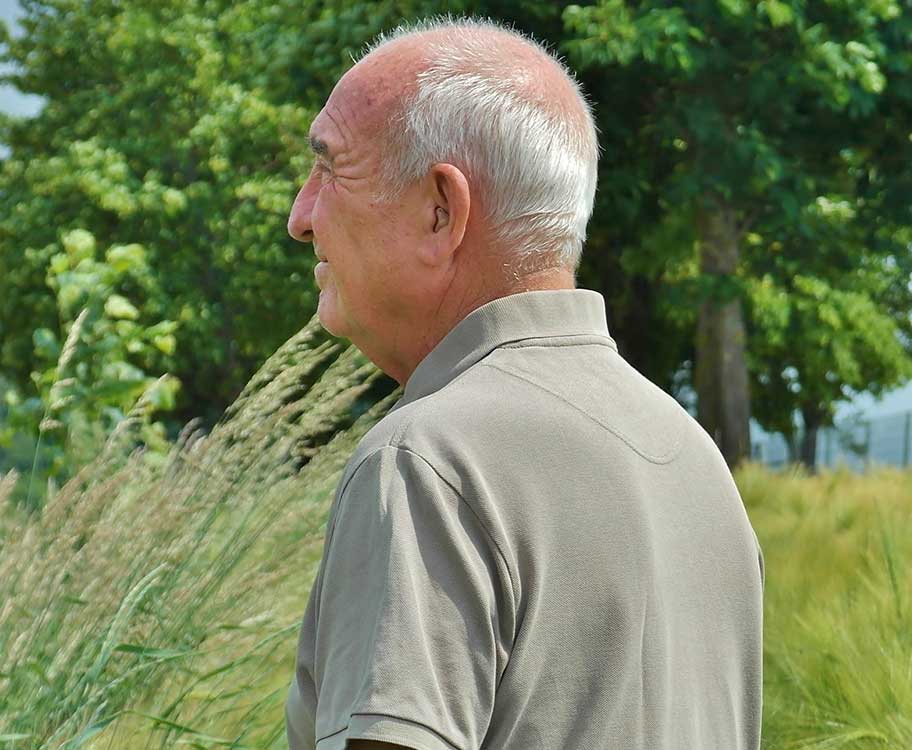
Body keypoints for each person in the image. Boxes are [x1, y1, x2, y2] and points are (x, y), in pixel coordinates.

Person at [282, 17, 764, 750]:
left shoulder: (425, 463)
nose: (301, 217)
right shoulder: (694, 459)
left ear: (441, 211)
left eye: (331, 169)